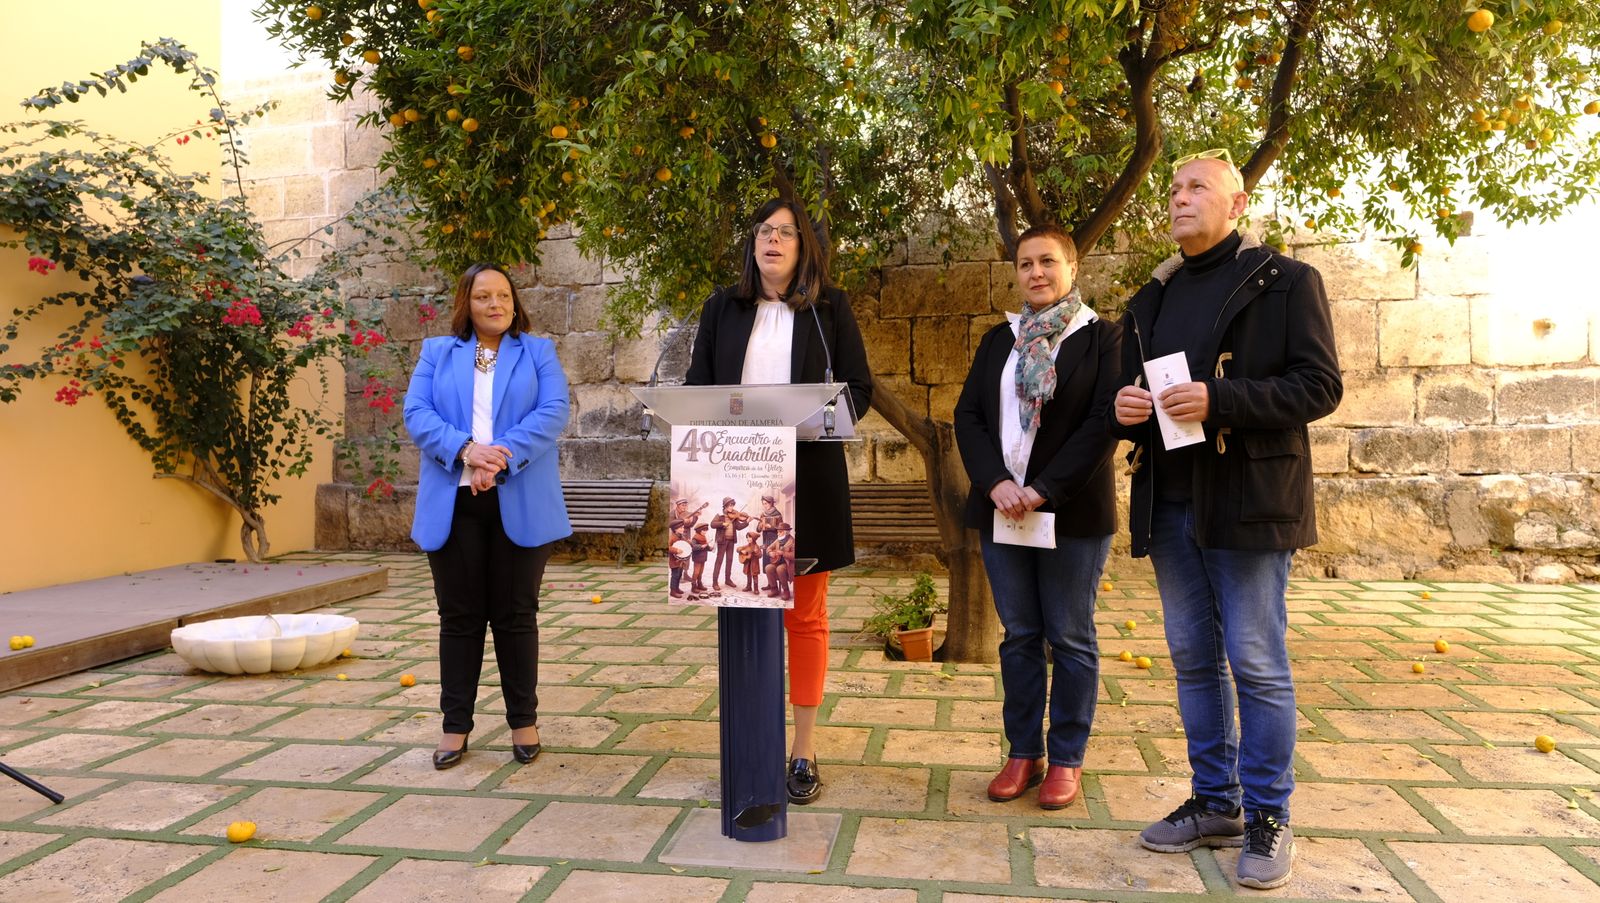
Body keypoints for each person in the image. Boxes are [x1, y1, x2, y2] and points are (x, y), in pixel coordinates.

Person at [1109, 148, 1341, 889]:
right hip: (1171, 503)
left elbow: (1319, 385)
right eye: (1174, 188)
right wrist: (1126, 411)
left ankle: (1269, 814)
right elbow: (1136, 393)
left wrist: (1222, 397)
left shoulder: (1286, 282)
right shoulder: (1149, 300)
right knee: (1191, 659)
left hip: (1247, 503)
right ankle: (1216, 801)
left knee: (1257, 662)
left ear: (1237, 205)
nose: (1179, 198)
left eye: (1197, 186)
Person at [685, 197, 873, 805]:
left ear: (803, 247)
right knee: (743, 613)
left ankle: (803, 748)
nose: (773, 240)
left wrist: (809, 421)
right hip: (734, 483)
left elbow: (859, 389)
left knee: (806, 616)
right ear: (753, 242)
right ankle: (749, 741)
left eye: (786, 233)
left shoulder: (829, 308)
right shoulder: (722, 306)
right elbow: (696, 389)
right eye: (764, 229)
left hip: (807, 481)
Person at [953, 222, 1122, 811]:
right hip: (1003, 511)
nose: (1037, 273)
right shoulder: (1000, 339)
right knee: (1020, 635)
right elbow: (968, 415)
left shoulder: (1102, 338)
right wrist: (997, 482)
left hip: (1072, 513)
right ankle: (1023, 752)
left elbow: (1105, 423)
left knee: (1070, 637)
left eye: (1048, 262)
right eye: (1026, 264)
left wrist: (1045, 488)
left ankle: (1067, 759)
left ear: (1072, 268)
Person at [403, 262, 572, 770]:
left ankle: (524, 721)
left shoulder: (537, 351)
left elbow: (553, 412)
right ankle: (455, 726)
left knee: (516, 615)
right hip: (453, 502)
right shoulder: (437, 352)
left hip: (519, 498)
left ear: (514, 302)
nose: (495, 304)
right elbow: (417, 414)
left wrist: (494, 456)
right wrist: (465, 451)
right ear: (467, 304)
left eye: (503, 295)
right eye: (483, 296)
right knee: (459, 618)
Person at [710, 497, 751, 589]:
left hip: (731, 541)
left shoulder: (734, 516)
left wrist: (747, 522)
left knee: (729, 560)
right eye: (729, 505)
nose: (731, 507)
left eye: (732, 505)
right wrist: (722, 524)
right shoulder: (720, 515)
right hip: (722, 541)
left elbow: (739, 527)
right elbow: (712, 524)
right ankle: (715, 582)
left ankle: (727, 579)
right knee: (719, 561)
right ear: (725, 506)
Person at [763, 522, 796, 601]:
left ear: (785, 532)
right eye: (778, 531)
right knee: (768, 567)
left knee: (780, 569)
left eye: (780, 532)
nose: (778, 533)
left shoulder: (792, 541)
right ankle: (774, 589)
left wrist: (783, 553)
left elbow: (794, 556)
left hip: (788, 564)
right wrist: (770, 553)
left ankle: (786, 591)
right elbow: (768, 548)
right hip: (777, 562)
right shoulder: (778, 540)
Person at [690, 523, 712, 594]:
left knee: (700, 572)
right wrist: (701, 546)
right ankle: (693, 586)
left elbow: (706, 545)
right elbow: (693, 547)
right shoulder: (695, 537)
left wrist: (710, 548)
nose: (705, 532)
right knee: (696, 572)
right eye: (703, 530)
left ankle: (699, 584)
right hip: (697, 557)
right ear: (699, 530)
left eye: (706, 530)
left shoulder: (703, 537)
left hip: (703, 557)